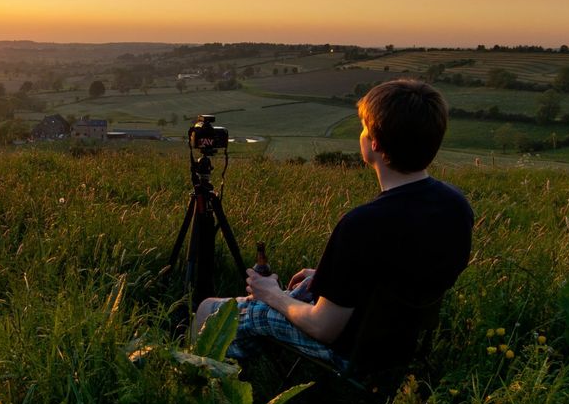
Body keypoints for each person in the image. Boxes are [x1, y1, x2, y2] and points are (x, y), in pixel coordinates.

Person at [192, 79, 474, 371]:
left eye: (363, 128)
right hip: (400, 341)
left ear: (375, 144)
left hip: (353, 351)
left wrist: (271, 294)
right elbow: (404, 273)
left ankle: (198, 382)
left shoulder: (362, 224)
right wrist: (328, 278)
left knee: (209, 309)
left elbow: (323, 327)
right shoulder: (456, 204)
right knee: (291, 294)